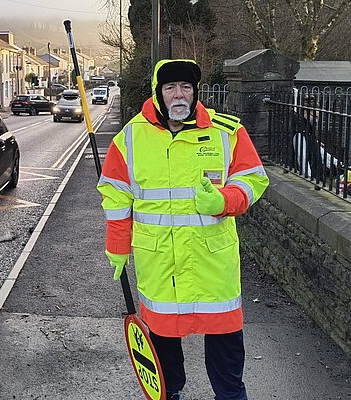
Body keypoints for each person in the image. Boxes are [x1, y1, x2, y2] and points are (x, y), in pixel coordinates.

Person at [97, 59, 269, 400]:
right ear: (158, 93)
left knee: (226, 349)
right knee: (163, 348)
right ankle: (169, 393)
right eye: (170, 87)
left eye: (186, 87)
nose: (179, 95)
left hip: (212, 265)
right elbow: (116, 197)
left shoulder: (227, 132)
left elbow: (253, 180)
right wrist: (117, 247)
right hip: (160, 264)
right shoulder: (130, 137)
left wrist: (224, 200)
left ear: (195, 92)